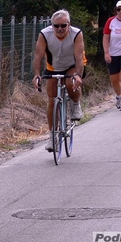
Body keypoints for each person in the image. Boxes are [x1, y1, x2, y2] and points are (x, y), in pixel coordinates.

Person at [32, 9, 85, 152]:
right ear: (52, 26)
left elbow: (79, 57)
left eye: (63, 25)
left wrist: (78, 75)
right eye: (56, 26)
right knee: (51, 99)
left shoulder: (76, 34)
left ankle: (75, 104)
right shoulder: (45, 34)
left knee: (70, 83)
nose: (60, 29)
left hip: (72, 65)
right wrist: (37, 75)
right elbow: (38, 56)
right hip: (54, 67)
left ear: (69, 24)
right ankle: (52, 136)